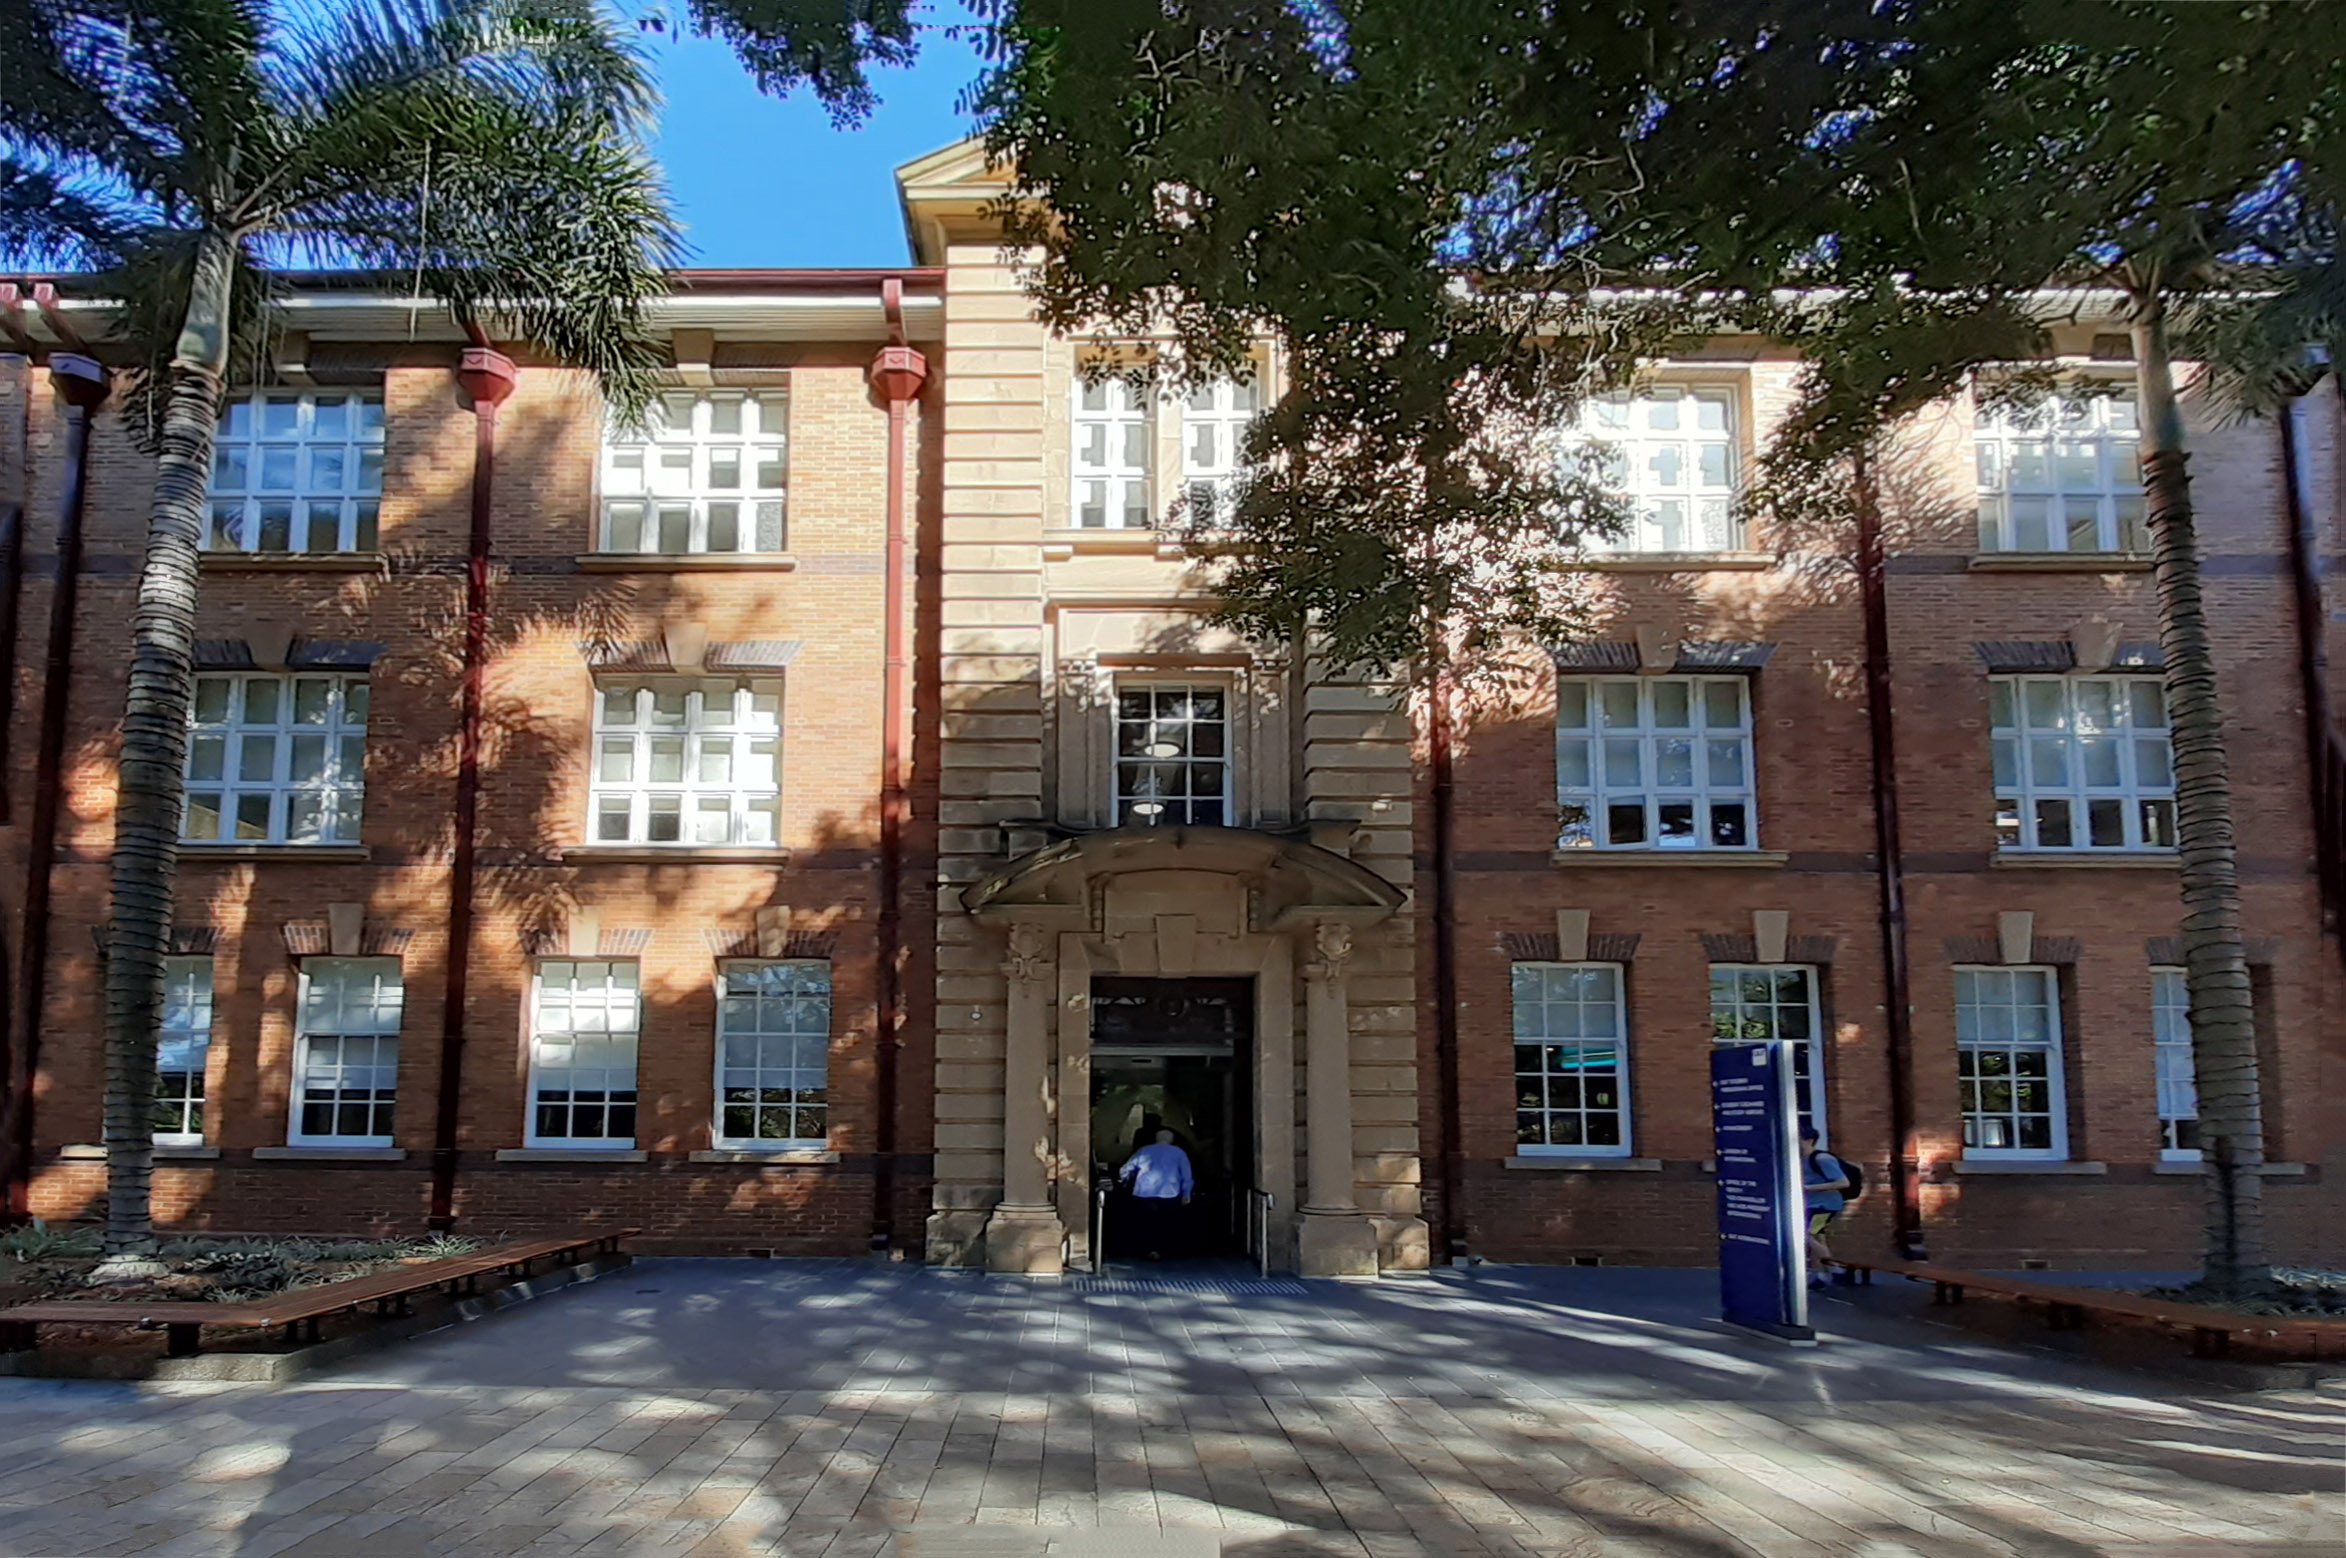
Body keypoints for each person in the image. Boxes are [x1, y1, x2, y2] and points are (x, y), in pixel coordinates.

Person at [1118, 1128, 1194, 1260]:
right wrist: (1186, 1193)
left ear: (1156, 1138)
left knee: (1145, 1223)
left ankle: (1147, 1249)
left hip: (1144, 1192)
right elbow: (1186, 1175)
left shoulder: (1145, 1150)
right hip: (1170, 1192)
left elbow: (1126, 1168)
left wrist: (1123, 1180)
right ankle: (1164, 1249)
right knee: (1166, 1223)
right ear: (1172, 1139)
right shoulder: (1179, 1152)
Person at [1800, 1125, 1850, 1288]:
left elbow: (1843, 1182)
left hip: (1825, 1205)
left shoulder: (1823, 1159)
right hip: (1812, 1204)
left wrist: (1808, 1188)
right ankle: (1821, 1275)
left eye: (1797, 1140)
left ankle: (1835, 1270)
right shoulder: (1801, 1160)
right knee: (1817, 1238)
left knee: (1807, 1237)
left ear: (1809, 1140)